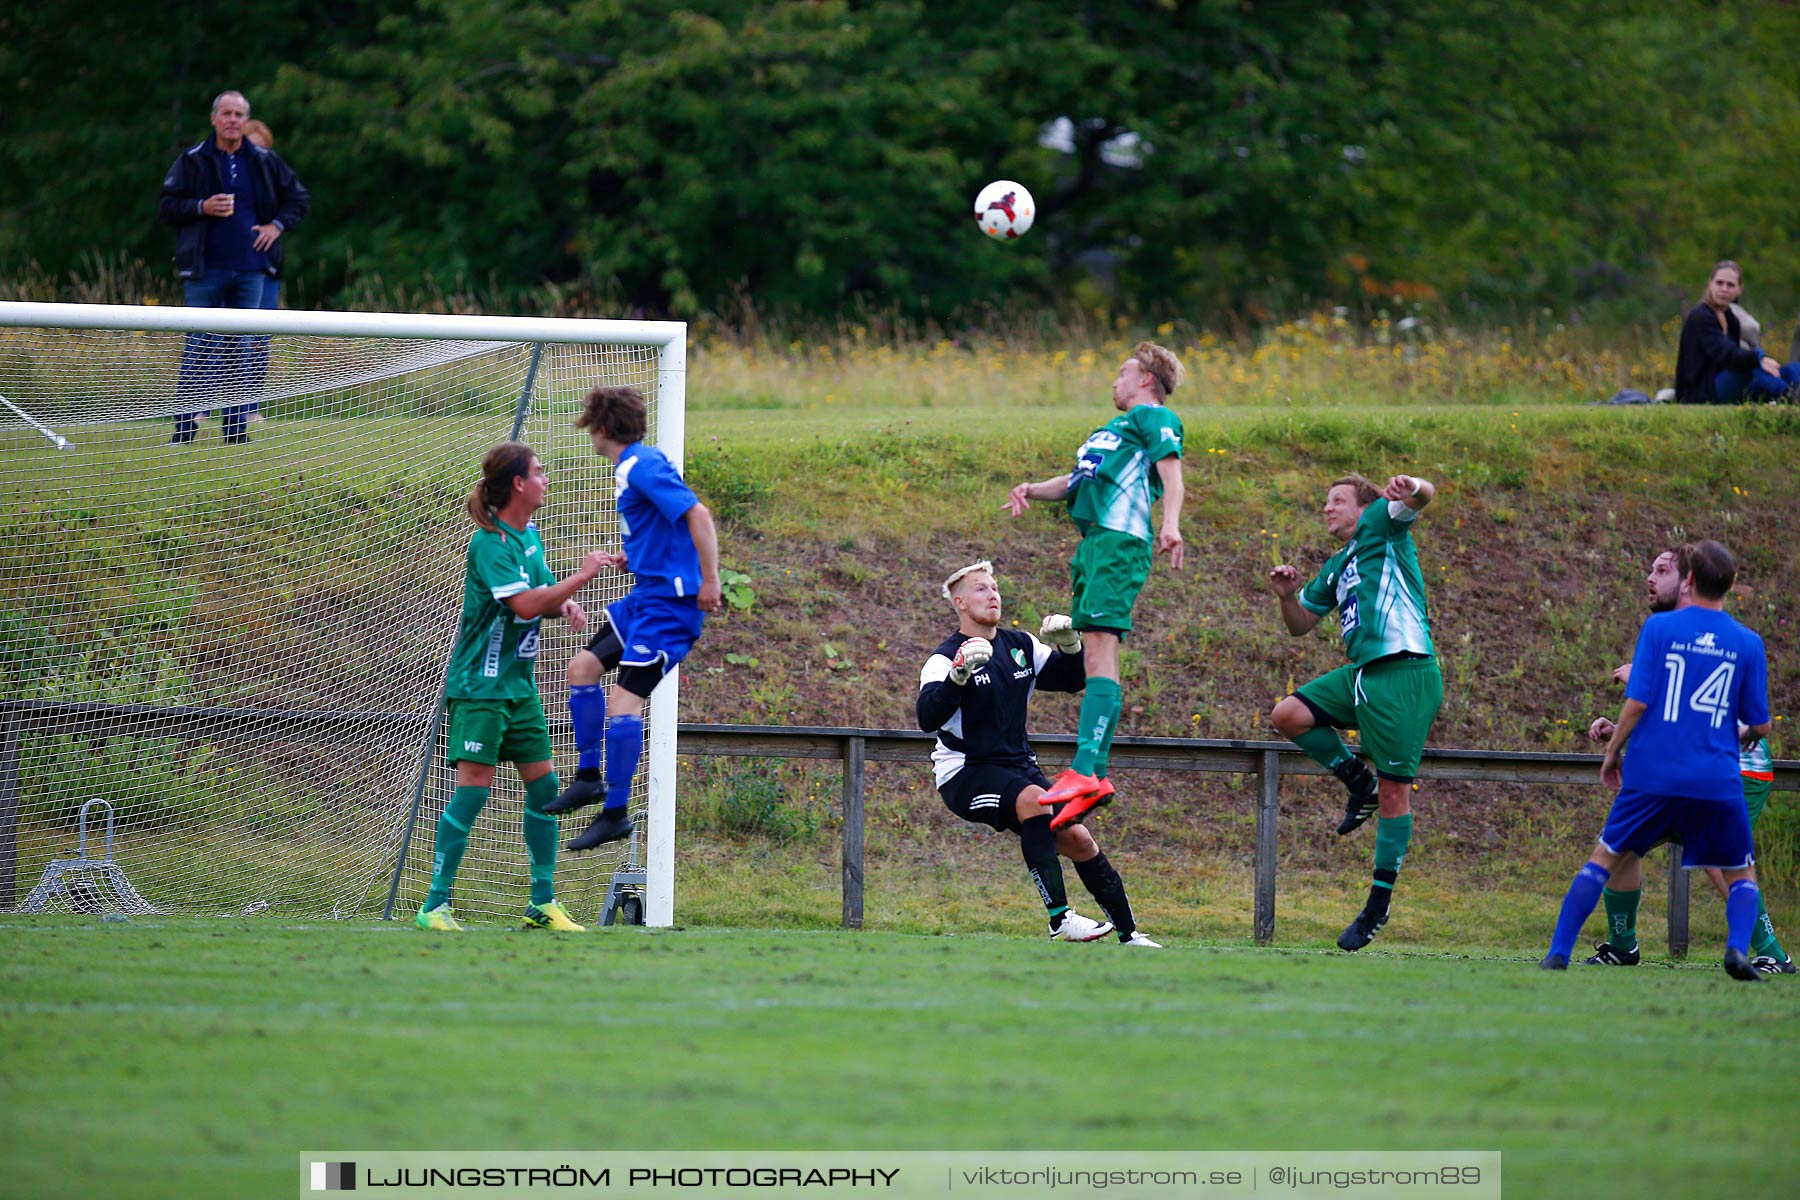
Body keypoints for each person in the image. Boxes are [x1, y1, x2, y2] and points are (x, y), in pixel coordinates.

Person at [1544, 540, 1772, 982]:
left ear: (1688, 580)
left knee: (1604, 859)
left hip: (1653, 775)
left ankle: (1558, 952)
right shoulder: (1747, 643)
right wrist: (1737, 733)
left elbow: (1639, 700)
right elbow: (1759, 725)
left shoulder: (1661, 630)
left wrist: (1613, 751)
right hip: (1715, 778)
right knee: (1741, 872)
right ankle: (1737, 951)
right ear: (1731, 584)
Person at [417, 443, 611, 932]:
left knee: (545, 788)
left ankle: (541, 905)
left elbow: (541, 597)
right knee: (474, 791)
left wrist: (565, 604)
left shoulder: (530, 537)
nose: (546, 479)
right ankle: (434, 905)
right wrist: (582, 577)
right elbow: (524, 605)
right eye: (539, 473)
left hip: (519, 688)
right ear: (519, 485)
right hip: (480, 687)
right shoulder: (489, 543)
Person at [917, 561, 1161, 946]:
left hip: (1018, 767)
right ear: (959, 602)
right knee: (1036, 802)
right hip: (965, 773)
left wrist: (1069, 644)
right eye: (980, 589)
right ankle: (1059, 920)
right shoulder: (944, 658)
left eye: (995, 587)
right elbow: (927, 717)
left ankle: (1130, 936)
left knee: (1079, 838)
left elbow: (1072, 678)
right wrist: (957, 676)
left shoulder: (1021, 645)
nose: (992, 594)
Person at [1003, 341, 1186, 829]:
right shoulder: (1111, 431)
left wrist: (1171, 524)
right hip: (1094, 548)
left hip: (1119, 543)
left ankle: (1084, 770)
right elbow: (1077, 479)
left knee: (1101, 650)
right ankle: (1095, 778)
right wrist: (1032, 489)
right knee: (1092, 654)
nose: (1114, 381)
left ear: (1146, 379)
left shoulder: (1154, 416)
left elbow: (1171, 470)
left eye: (1122, 372)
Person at [1267, 473, 1442, 951]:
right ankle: (1356, 782)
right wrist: (1286, 597)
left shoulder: (1382, 527)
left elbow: (1425, 498)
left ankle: (1376, 907)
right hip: (1363, 674)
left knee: (1395, 797)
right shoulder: (1334, 565)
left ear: (1365, 508)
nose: (1327, 508)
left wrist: (1414, 486)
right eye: (1325, 501)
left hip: (1405, 673)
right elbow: (1301, 625)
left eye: (1338, 500)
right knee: (1289, 715)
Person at [543, 386, 722, 850]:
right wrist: (635, 554)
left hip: (671, 607)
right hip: (646, 597)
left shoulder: (641, 466)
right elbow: (665, 525)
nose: (591, 438)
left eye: (591, 430)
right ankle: (588, 776)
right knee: (582, 668)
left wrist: (710, 580)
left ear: (601, 430)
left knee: (625, 704)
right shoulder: (636, 465)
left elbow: (697, 516)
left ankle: (616, 812)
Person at [158, 90, 309, 445]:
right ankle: (183, 431)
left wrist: (277, 226)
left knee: (241, 350)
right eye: (226, 113)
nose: (232, 120)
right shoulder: (193, 160)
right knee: (198, 347)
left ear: (246, 120)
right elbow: (167, 206)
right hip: (205, 269)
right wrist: (201, 207)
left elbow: (299, 198)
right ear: (214, 118)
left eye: (239, 114)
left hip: (251, 269)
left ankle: (236, 433)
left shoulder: (264, 160)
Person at [1672, 261, 1800, 405]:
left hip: (1729, 385)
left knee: (1794, 368)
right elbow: (1726, 354)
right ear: (1710, 284)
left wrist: (1761, 359)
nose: (1724, 289)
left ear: (1740, 289)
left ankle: (1793, 390)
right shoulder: (1701, 316)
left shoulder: (1729, 316)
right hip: (1702, 393)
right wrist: (1758, 358)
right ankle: (1787, 394)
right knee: (1752, 362)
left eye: (1730, 285)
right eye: (1719, 283)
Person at [240, 119, 286, 422]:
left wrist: (276, 225)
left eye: (262, 147)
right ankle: (201, 407)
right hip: (227, 269)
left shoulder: (276, 178)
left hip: (266, 269)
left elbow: (296, 204)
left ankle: (250, 408)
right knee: (215, 339)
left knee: (258, 340)